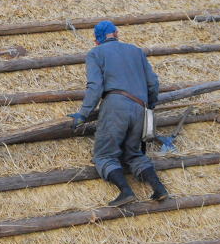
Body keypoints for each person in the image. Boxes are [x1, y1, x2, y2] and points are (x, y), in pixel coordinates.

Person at [68, 20, 169, 207]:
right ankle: (159, 189)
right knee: (134, 153)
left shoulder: (95, 53)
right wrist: (150, 105)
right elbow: (153, 83)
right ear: (116, 33)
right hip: (141, 107)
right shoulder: (136, 51)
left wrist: (83, 114)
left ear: (96, 40)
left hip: (116, 106)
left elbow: (95, 86)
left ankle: (126, 191)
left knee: (104, 155)